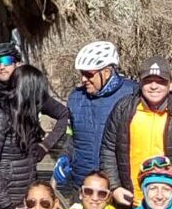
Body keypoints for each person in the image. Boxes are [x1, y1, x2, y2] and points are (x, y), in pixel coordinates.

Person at [99, 56, 172, 209]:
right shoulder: (123, 110)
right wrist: (114, 187)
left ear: (171, 84)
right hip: (131, 204)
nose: (153, 86)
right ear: (140, 83)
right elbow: (108, 149)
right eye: (148, 80)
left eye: (160, 81)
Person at [0, 63, 70, 209]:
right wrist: (5, 205)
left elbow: (63, 115)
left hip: (25, 196)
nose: (42, 99)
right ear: (28, 91)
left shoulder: (29, 113)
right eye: (39, 93)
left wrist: (45, 146)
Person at [59, 41, 138, 200]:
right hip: (83, 186)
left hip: (117, 187)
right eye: (81, 73)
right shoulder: (76, 97)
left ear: (107, 72)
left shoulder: (134, 93)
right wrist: (64, 157)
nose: (83, 79)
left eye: (89, 74)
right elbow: (72, 137)